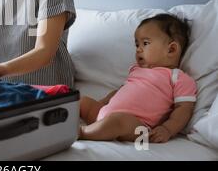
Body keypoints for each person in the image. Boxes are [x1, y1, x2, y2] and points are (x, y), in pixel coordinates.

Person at [79, 14, 197, 143]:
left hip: (137, 126)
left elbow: (184, 109)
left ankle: (83, 132)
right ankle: (57, 122)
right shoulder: (136, 70)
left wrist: (167, 129)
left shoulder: (178, 78)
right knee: (81, 102)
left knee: (118, 120)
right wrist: (102, 103)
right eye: (137, 45)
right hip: (105, 115)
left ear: (171, 49)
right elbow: (122, 90)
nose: (138, 49)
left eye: (145, 43)